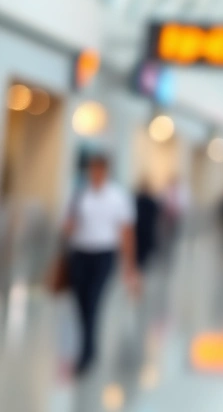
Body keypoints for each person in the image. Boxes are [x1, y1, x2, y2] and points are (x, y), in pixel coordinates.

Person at [61, 154, 140, 376]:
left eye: (99, 170)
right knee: (81, 303)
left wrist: (130, 266)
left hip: (103, 255)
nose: (95, 174)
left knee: (93, 302)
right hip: (80, 254)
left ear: (106, 172)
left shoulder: (117, 197)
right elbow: (68, 225)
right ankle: (89, 348)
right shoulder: (80, 194)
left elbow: (126, 233)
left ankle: (87, 352)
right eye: (92, 170)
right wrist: (69, 227)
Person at [133, 179, 161, 272]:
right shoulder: (149, 202)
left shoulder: (137, 201)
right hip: (142, 233)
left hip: (140, 233)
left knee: (140, 258)